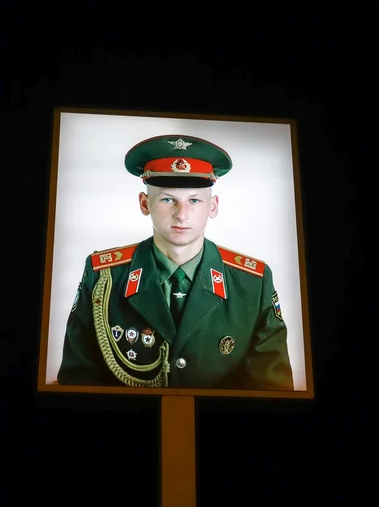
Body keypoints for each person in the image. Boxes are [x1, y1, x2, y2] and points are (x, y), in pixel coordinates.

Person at [57, 134, 294, 390]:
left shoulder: (252, 283)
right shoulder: (103, 276)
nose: (182, 214)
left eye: (194, 200)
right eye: (167, 199)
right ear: (144, 203)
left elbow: (273, 392)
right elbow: (77, 384)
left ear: (212, 206)